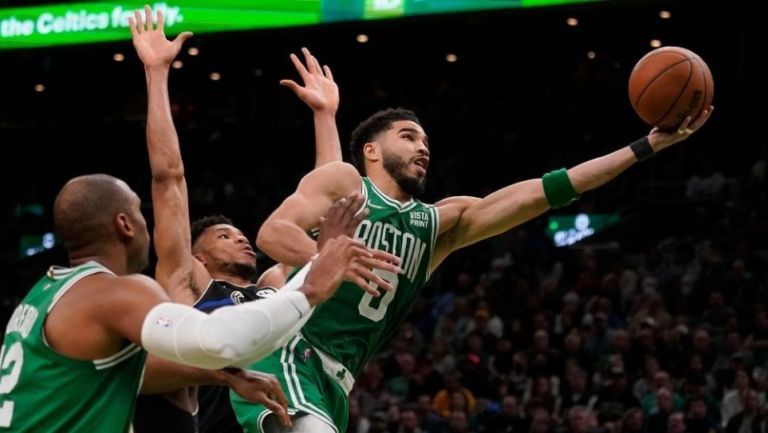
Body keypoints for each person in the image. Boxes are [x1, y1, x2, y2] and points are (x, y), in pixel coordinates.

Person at [231, 73, 714, 429]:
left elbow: (546, 191)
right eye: (408, 137)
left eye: (426, 141)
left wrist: (643, 148)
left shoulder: (440, 223)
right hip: (292, 352)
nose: (423, 148)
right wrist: (333, 257)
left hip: (339, 380)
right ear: (372, 152)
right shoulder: (347, 183)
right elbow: (273, 234)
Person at [126, 6, 384, 433]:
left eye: (241, 234)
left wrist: (325, 116)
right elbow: (168, 181)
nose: (243, 241)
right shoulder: (186, 281)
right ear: (198, 255)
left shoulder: (274, 287)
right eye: (226, 236)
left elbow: (330, 213)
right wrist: (156, 74)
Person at [0, 168, 399, 432]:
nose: (145, 223)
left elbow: (136, 371)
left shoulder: (41, 298)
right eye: (140, 212)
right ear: (124, 224)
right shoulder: (115, 292)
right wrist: (311, 284)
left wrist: (223, 376)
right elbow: (217, 341)